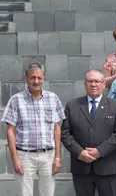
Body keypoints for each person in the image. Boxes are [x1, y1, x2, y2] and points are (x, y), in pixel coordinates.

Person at [2, 62, 64, 196]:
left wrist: (57, 157)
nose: (36, 81)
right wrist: (15, 159)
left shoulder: (53, 98)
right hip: (24, 156)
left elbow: (57, 129)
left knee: (48, 193)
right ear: (26, 79)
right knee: (25, 194)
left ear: (44, 79)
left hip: (48, 155)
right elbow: (10, 131)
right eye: (32, 78)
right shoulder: (16, 99)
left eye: (39, 78)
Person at [62, 70, 116, 196]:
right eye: (90, 81)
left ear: (103, 84)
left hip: (108, 168)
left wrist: (99, 151)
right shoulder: (72, 105)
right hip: (81, 166)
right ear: (85, 84)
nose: (93, 84)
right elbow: (65, 133)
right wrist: (79, 152)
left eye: (97, 81)